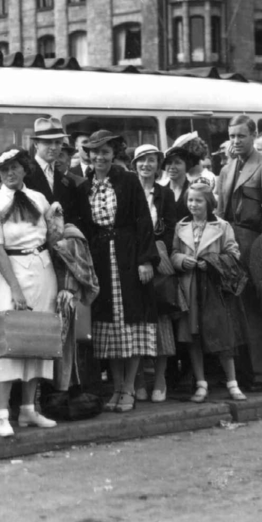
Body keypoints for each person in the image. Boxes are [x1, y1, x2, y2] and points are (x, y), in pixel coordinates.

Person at [0, 148, 67, 437]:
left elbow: (51, 236)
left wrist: (57, 220)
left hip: (43, 271)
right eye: (4, 169)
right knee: (9, 340)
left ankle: (29, 410)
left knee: (39, 337)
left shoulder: (39, 199)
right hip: (11, 273)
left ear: (24, 169)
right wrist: (15, 289)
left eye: (15, 167)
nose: (10, 173)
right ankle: (3, 414)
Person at [76, 130, 157, 412]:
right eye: (95, 152)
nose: (100, 157)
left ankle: (129, 388)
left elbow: (143, 221)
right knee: (108, 327)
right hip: (100, 259)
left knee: (130, 322)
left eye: (105, 152)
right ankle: (117, 388)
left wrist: (146, 260)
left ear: (114, 154)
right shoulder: (84, 186)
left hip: (128, 255)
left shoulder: (129, 181)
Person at [217, 114, 262, 387]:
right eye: (232, 136)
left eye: (241, 136)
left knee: (256, 310)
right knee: (235, 310)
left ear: (253, 136)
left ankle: (261, 373)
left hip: (255, 243)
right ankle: (242, 373)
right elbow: (221, 211)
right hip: (231, 243)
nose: (236, 141)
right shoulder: (226, 169)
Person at [171, 182, 249, 401]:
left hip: (214, 287)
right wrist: (180, 260)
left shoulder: (222, 226)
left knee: (221, 334)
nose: (193, 205)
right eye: (190, 200)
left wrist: (212, 262)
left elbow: (233, 254)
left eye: (198, 200)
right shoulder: (181, 226)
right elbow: (174, 251)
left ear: (209, 203)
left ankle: (232, 383)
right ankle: (201, 383)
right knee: (192, 335)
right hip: (189, 285)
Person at [131, 144, 178, 402]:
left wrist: (160, 254)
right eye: (141, 160)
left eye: (151, 160)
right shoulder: (128, 190)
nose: (146, 165)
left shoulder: (164, 194)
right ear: (134, 163)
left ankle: (159, 379)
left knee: (161, 321)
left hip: (158, 264)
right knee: (136, 322)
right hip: (133, 264)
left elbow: (169, 227)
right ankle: (138, 378)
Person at [23, 116, 78, 224]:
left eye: (58, 142)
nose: (53, 147)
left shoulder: (67, 181)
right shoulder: (24, 174)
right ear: (36, 144)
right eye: (47, 142)